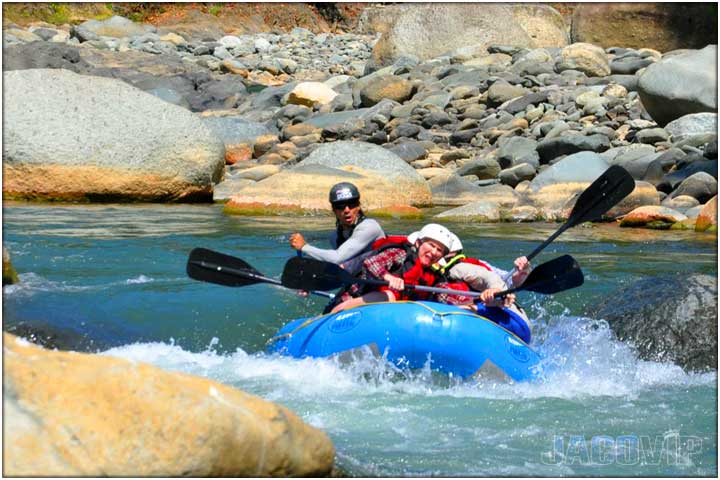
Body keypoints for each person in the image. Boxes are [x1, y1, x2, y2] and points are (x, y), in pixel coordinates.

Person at [329, 223, 455, 313]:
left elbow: (446, 295)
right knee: (389, 295)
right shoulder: (401, 254)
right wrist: (388, 277)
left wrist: (469, 304)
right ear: (418, 243)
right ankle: (336, 312)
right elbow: (371, 263)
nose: (433, 252)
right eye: (431, 245)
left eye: (439, 250)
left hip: (388, 315)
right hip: (356, 299)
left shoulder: (435, 275)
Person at [432, 233, 533, 342]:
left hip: (510, 319)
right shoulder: (429, 277)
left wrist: (497, 288)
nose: (433, 253)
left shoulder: (460, 268)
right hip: (492, 321)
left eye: (438, 250)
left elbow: (491, 278)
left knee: (459, 307)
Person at [289, 182, 385, 265]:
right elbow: (335, 261)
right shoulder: (335, 236)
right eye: (341, 206)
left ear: (358, 206)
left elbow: (337, 258)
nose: (347, 210)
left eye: (351, 204)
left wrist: (304, 247)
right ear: (334, 210)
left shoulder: (369, 227)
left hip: (386, 277)